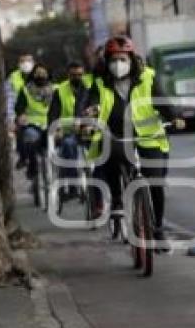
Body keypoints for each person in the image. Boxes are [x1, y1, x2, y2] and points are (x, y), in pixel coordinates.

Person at [82, 35, 183, 239]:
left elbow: (162, 102)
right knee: (109, 153)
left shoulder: (148, 77)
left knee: (155, 182)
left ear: (131, 59)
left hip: (149, 137)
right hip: (117, 136)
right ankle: (117, 200)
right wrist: (91, 113)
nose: (118, 64)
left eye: (123, 59)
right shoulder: (100, 83)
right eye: (113, 60)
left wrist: (175, 117)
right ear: (107, 61)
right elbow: (92, 103)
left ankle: (159, 228)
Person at [48, 62, 90, 198]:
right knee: (68, 145)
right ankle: (73, 184)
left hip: (90, 131)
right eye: (73, 75)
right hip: (69, 132)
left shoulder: (90, 87)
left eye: (80, 75)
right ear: (68, 75)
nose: (77, 77)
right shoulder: (60, 90)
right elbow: (53, 113)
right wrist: (57, 129)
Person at [14, 62, 54, 180]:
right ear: (33, 75)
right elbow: (19, 108)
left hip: (52, 126)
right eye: (38, 73)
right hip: (32, 126)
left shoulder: (55, 90)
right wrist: (21, 116)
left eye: (43, 73)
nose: (41, 76)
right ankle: (32, 167)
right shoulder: (25, 90)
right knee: (30, 139)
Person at [9, 53, 35, 169]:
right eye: (23, 62)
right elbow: (9, 99)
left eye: (28, 61)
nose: (26, 64)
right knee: (21, 131)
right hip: (21, 114)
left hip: (41, 114)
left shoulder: (40, 75)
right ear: (19, 64)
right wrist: (11, 119)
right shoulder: (13, 78)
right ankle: (23, 157)